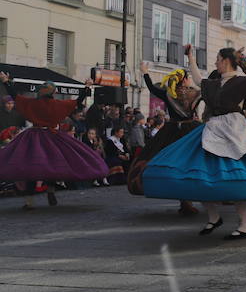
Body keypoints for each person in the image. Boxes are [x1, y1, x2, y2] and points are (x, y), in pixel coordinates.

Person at [142, 44, 246, 239]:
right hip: (213, 130)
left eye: (217, 59)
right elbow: (198, 79)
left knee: (237, 179)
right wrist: (190, 57)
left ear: (225, 61)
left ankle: (244, 225)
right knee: (202, 175)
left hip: (235, 131)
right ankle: (214, 217)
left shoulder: (242, 82)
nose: (215, 62)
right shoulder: (214, 84)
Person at [0, 72, 108, 210]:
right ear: (54, 92)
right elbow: (76, 101)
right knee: (53, 164)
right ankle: (51, 190)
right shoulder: (57, 104)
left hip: (34, 137)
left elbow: (15, 96)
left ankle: (29, 202)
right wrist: (86, 87)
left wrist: (5, 81)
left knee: (31, 167)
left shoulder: (32, 103)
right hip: (52, 136)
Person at [127, 61, 203, 215]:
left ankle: (184, 201)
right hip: (189, 131)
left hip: (172, 131)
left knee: (174, 163)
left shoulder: (169, 94)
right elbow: (208, 92)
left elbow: (151, 88)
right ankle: (189, 200)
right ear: (185, 79)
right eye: (187, 77)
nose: (189, 80)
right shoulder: (194, 93)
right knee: (193, 162)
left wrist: (145, 72)